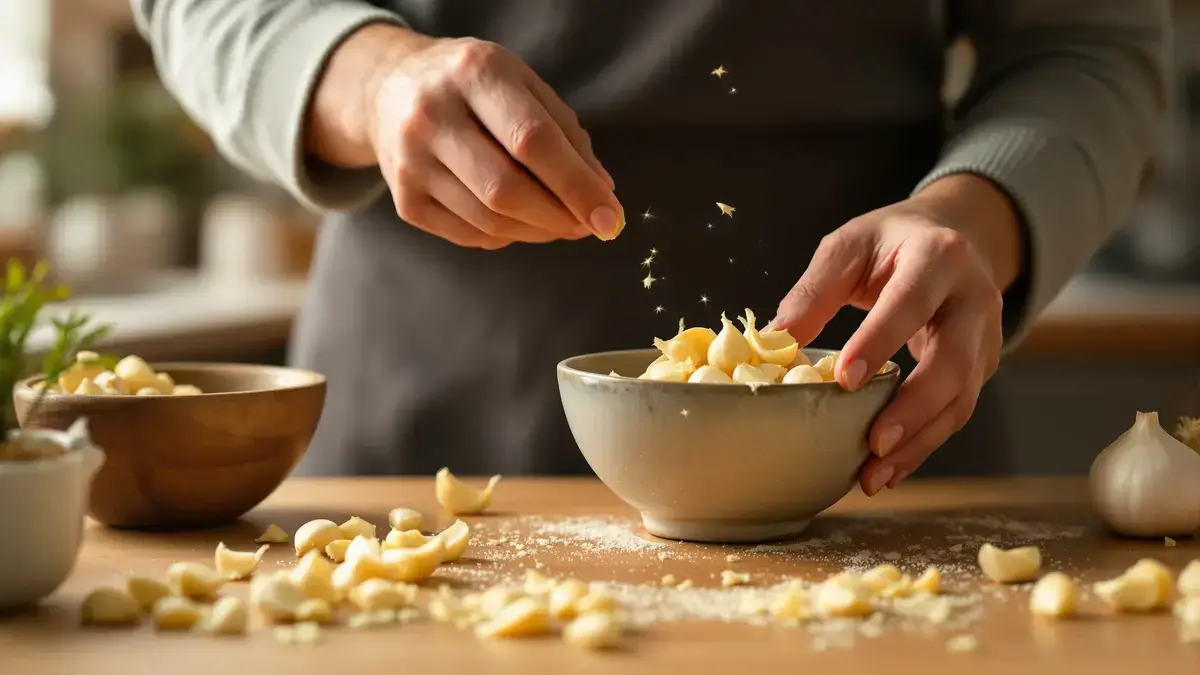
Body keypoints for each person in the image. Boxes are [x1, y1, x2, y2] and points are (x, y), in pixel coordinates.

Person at [132, 1, 1168, 495]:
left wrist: (973, 215)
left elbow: (1087, 45)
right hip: (420, 443)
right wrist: (370, 77)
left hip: (868, 450)